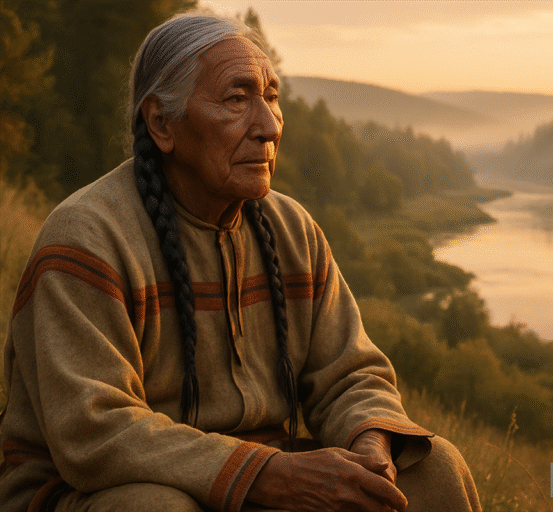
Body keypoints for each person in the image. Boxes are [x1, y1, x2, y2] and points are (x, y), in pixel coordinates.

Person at [0, 12, 481, 512]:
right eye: (236, 99)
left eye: (272, 97)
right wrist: (268, 474)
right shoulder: (87, 240)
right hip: (95, 490)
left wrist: (370, 447)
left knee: (433, 469)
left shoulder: (293, 231)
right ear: (162, 124)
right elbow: (94, 431)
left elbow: (351, 376)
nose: (270, 126)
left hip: (265, 474)